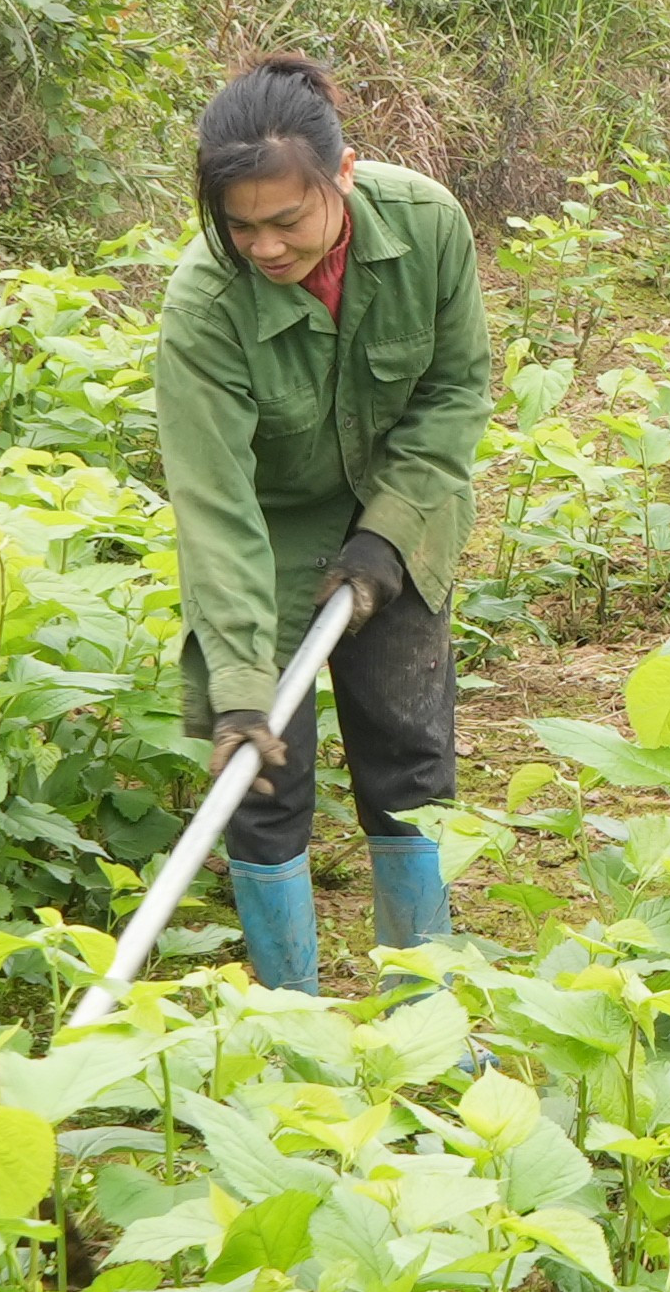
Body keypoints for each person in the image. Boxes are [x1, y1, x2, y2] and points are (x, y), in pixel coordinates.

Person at [151, 56, 493, 987]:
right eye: (240, 225)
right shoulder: (205, 306)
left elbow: (457, 388)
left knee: (410, 762)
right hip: (265, 540)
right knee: (258, 780)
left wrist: (392, 529)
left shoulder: (428, 228)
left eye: (286, 220)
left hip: (405, 511)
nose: (264, 247)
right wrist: (236, 683)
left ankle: (422, 1004)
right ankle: (289, 1022)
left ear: (342, 177)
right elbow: (214, 505)